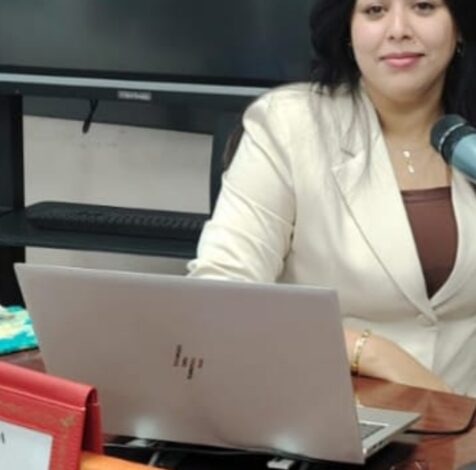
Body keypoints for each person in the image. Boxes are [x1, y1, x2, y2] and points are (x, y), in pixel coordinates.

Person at [188, 0, 476, 394]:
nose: (398, 29)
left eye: (423, 7)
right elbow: (218, 297)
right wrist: (367, 351)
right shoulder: (289, 126)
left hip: (465, 423)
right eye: (374, 11)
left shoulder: (467, 141)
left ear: (458, 25)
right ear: (348, 30)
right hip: (328, 411)